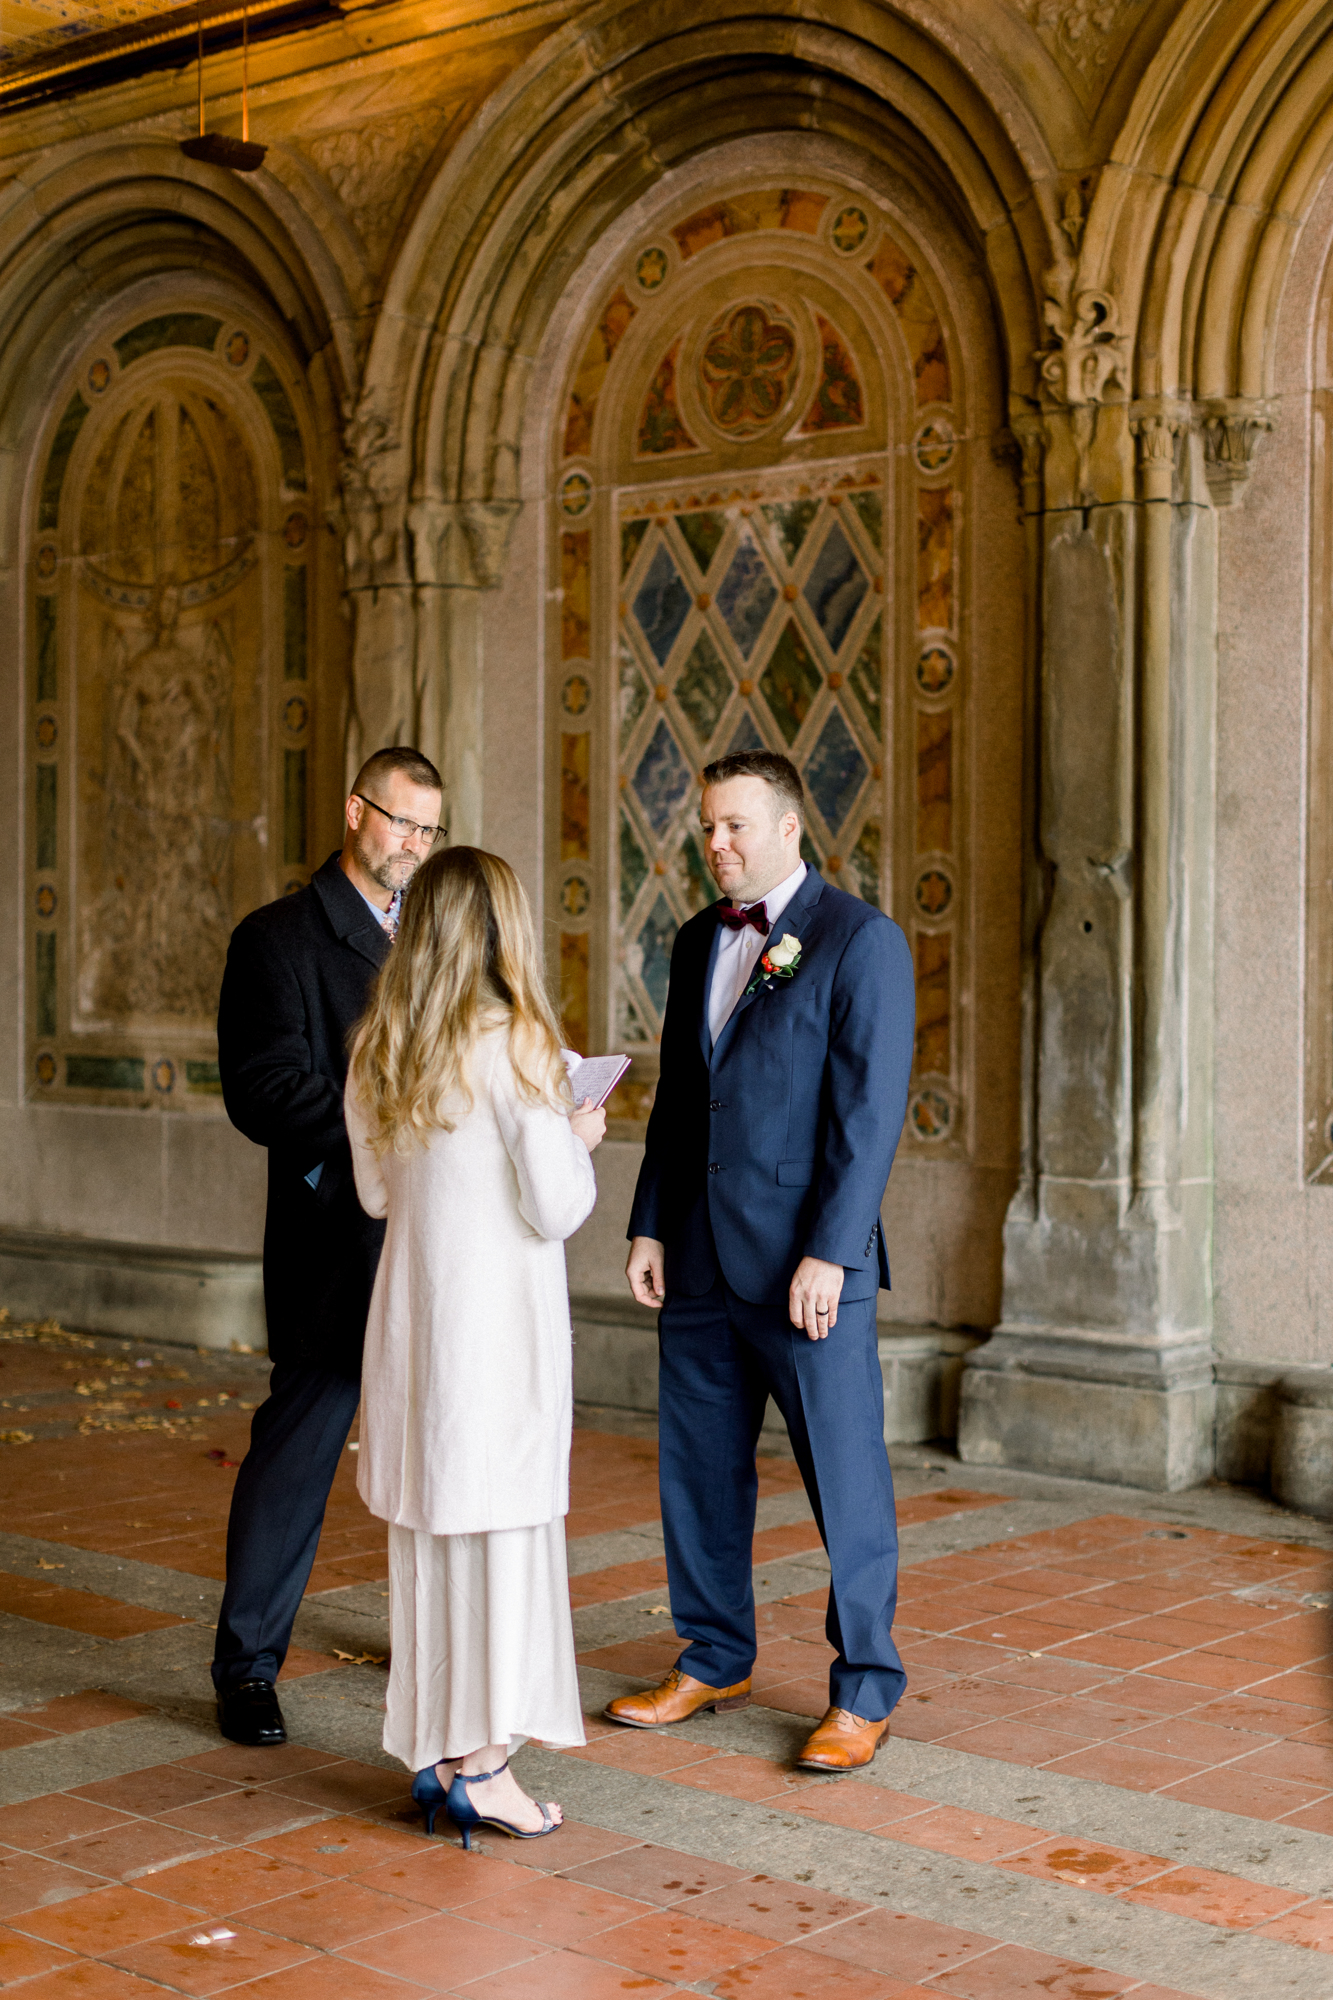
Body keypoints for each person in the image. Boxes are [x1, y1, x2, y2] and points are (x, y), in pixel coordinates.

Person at [610, 749, 915, 1772]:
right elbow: (680, 1096)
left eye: (734, 825)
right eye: (705, 827)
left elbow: (867, 1118)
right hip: (697, 1257)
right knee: (697, 1471)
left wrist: (831, 1250)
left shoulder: (858, 940)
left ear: (790, 827)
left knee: (844, 1476)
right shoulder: (698, 937)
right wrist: (648, 1222)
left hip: (805, 1269)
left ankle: (864, 1686)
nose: (716, 844)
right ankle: (712, 1653)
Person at [345, 845, 605, 1843]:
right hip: (494, 1339)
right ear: (504, 930)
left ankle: (434, 1749)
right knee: (501, 1542)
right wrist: (576, 1136)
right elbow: (557, 1205)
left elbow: (374, 1192)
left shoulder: (380, 1044)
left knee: (429, 1541)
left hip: (414, 1333)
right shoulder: (518, 1042)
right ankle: (486, 1765)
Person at [211, 747, 446, 1746]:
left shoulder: (436, 935)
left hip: (439, 1235)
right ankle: (247, 1665)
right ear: (356, 811)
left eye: (430, 830)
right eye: (401, 822)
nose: (414, 844)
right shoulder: (276, 937)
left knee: (441, 1451)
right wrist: (402, 1118)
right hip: (333, 1237)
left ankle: (438, 1637)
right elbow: (261, 1091)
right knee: (298, 1446)